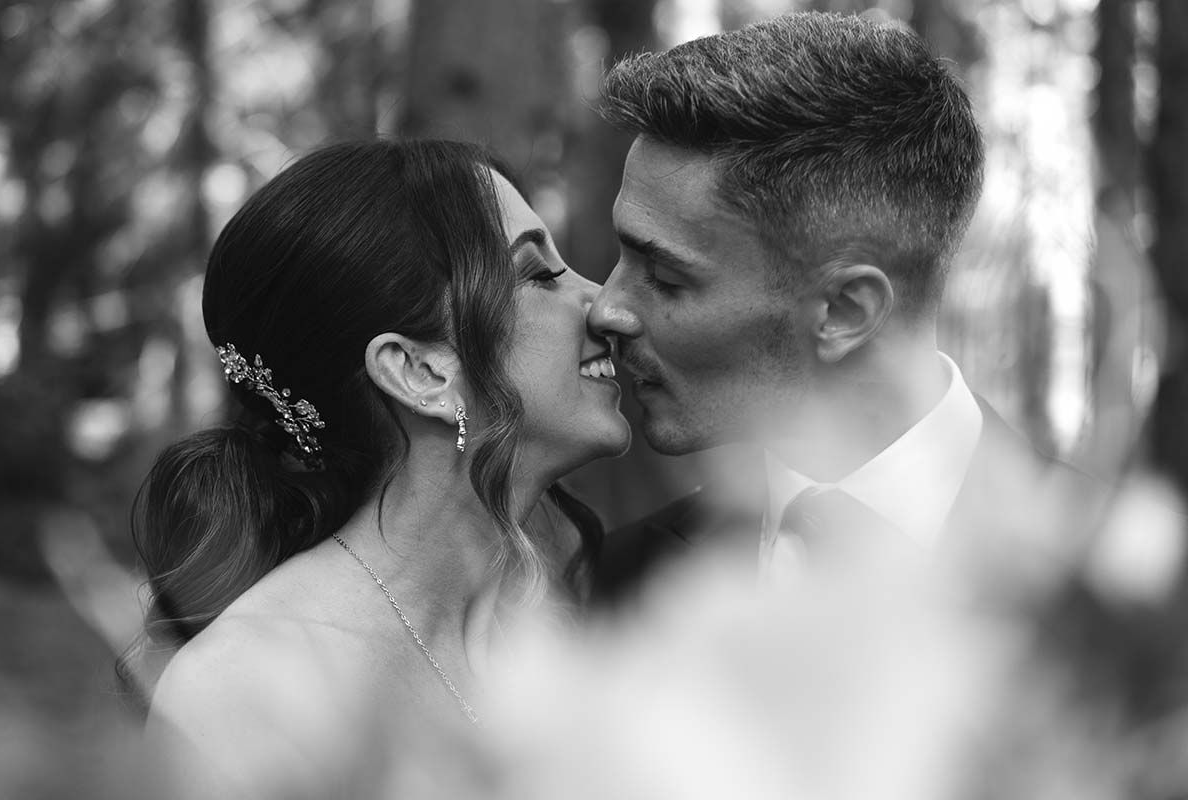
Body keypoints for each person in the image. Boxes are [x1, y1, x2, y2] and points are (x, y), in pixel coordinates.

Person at [130, 139, 629, 797]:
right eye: (538, 274)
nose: (604, 304)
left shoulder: (567, 617)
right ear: (418, 372)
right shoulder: (248, 691)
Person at [588, 12, 1092, 603]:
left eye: (667, 278)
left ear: (845, 312)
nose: (606, 309)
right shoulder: (622, 586)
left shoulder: (1112, 590)